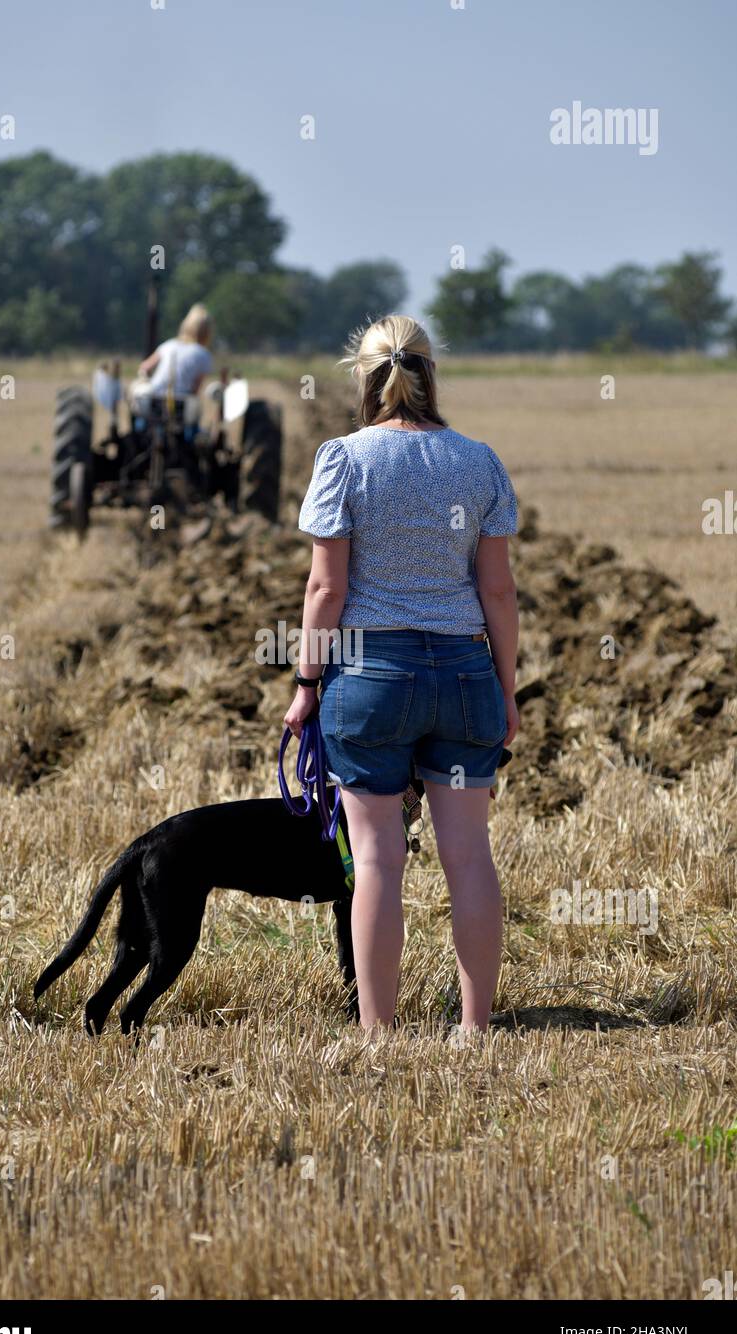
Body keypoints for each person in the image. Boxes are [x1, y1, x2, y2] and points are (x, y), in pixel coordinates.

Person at [284, 314, 519, 1038]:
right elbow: (499, 592)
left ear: (364, 378)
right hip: (462, 677)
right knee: (468, 856)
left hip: (370, 677)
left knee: (379, 857)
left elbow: (326, 590)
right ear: (429, 374)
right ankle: (475, 1029)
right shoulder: (478, 460)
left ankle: (377, 1033)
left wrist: (305, 685)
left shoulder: (345, 459)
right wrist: (505, 691)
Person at [138, 302, 214, 403]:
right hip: (181, 401)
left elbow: (145, 367)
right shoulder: (204, 354)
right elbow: (195, 388)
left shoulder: (169, 344)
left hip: (154, 395)